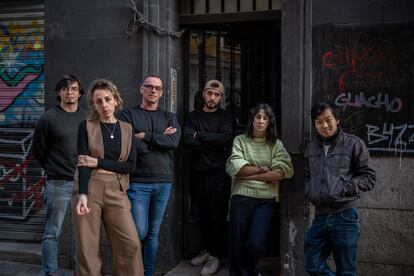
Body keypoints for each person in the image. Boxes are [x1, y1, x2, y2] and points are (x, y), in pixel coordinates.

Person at [71, 79, 143, 276]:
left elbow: (130, 166)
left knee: (130, 244)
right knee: (88, 248)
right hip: (89, 187)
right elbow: (84, 163)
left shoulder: (127, 129)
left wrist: (98, 162)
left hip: (117, 190)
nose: (104, 105)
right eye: (98, 101)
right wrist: (83, 194)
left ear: (116, 100)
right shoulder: (85, 127)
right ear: (93, 104)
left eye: (108, 99)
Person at [119, 75, 181, 276]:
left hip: (164, 181)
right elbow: (128, 143)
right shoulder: (128, 114)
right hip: (138, 181)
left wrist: (146, 136)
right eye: (149, 87)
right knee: (139, 231)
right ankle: (132, 271)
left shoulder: (169, 116)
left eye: (157, 88)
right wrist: (158, 141)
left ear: (161, 92)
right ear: (141, 89)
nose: (153, 91)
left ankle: (148, 273)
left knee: (153, 233)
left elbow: (173, 142)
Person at [304, 102, 376, 276]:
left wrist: (341, 188)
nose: (324, 125)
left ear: (337, 120)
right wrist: (310, 191)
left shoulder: (353, 144)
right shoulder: (312, 147)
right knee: (312, 264)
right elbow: (308, 175)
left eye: (328, 120)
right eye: (319, 121)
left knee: (346, 269)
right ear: (314, 124)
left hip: (344, 216)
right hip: (320, 216)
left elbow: (369, 178)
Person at [226, 103, 294, 276]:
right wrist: (263, 169)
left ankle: (251, 270)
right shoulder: (240, 140)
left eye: (265, 118)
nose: (261, 121)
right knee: (237, 243)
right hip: (241, 198)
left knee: (256, 244)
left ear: (270, 122)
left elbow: (282, 173)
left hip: (266, 200)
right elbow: (236, 169)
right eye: (258, 117)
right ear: (252, 119)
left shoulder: (275, 144)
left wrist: (249, 174)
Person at [32, 74, 86, 276]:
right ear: (59, 92)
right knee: (52, 233)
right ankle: (49, 272)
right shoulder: (48, 118)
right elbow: (38, 150)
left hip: (82, 184)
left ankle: (79, 270)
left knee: (79, 233)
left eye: (73, 88)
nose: (69, 92)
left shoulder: (86, 118)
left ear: (80, 93)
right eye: (65, 89)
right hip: (58, 183)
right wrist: (54, 168)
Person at [183, 79, 233, 276]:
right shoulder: (192, 116)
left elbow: (225, 140)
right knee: (200, 214)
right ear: (203, 94)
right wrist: (212, 139)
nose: (212, 97)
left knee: (217, 216)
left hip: (220, 174)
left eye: (217, 94)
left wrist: (199, 135)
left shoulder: (226, 116)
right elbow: (187, 140)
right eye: (209, 93)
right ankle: (208, 250)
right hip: (197, 173)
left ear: (221, 98)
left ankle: (215, 256)